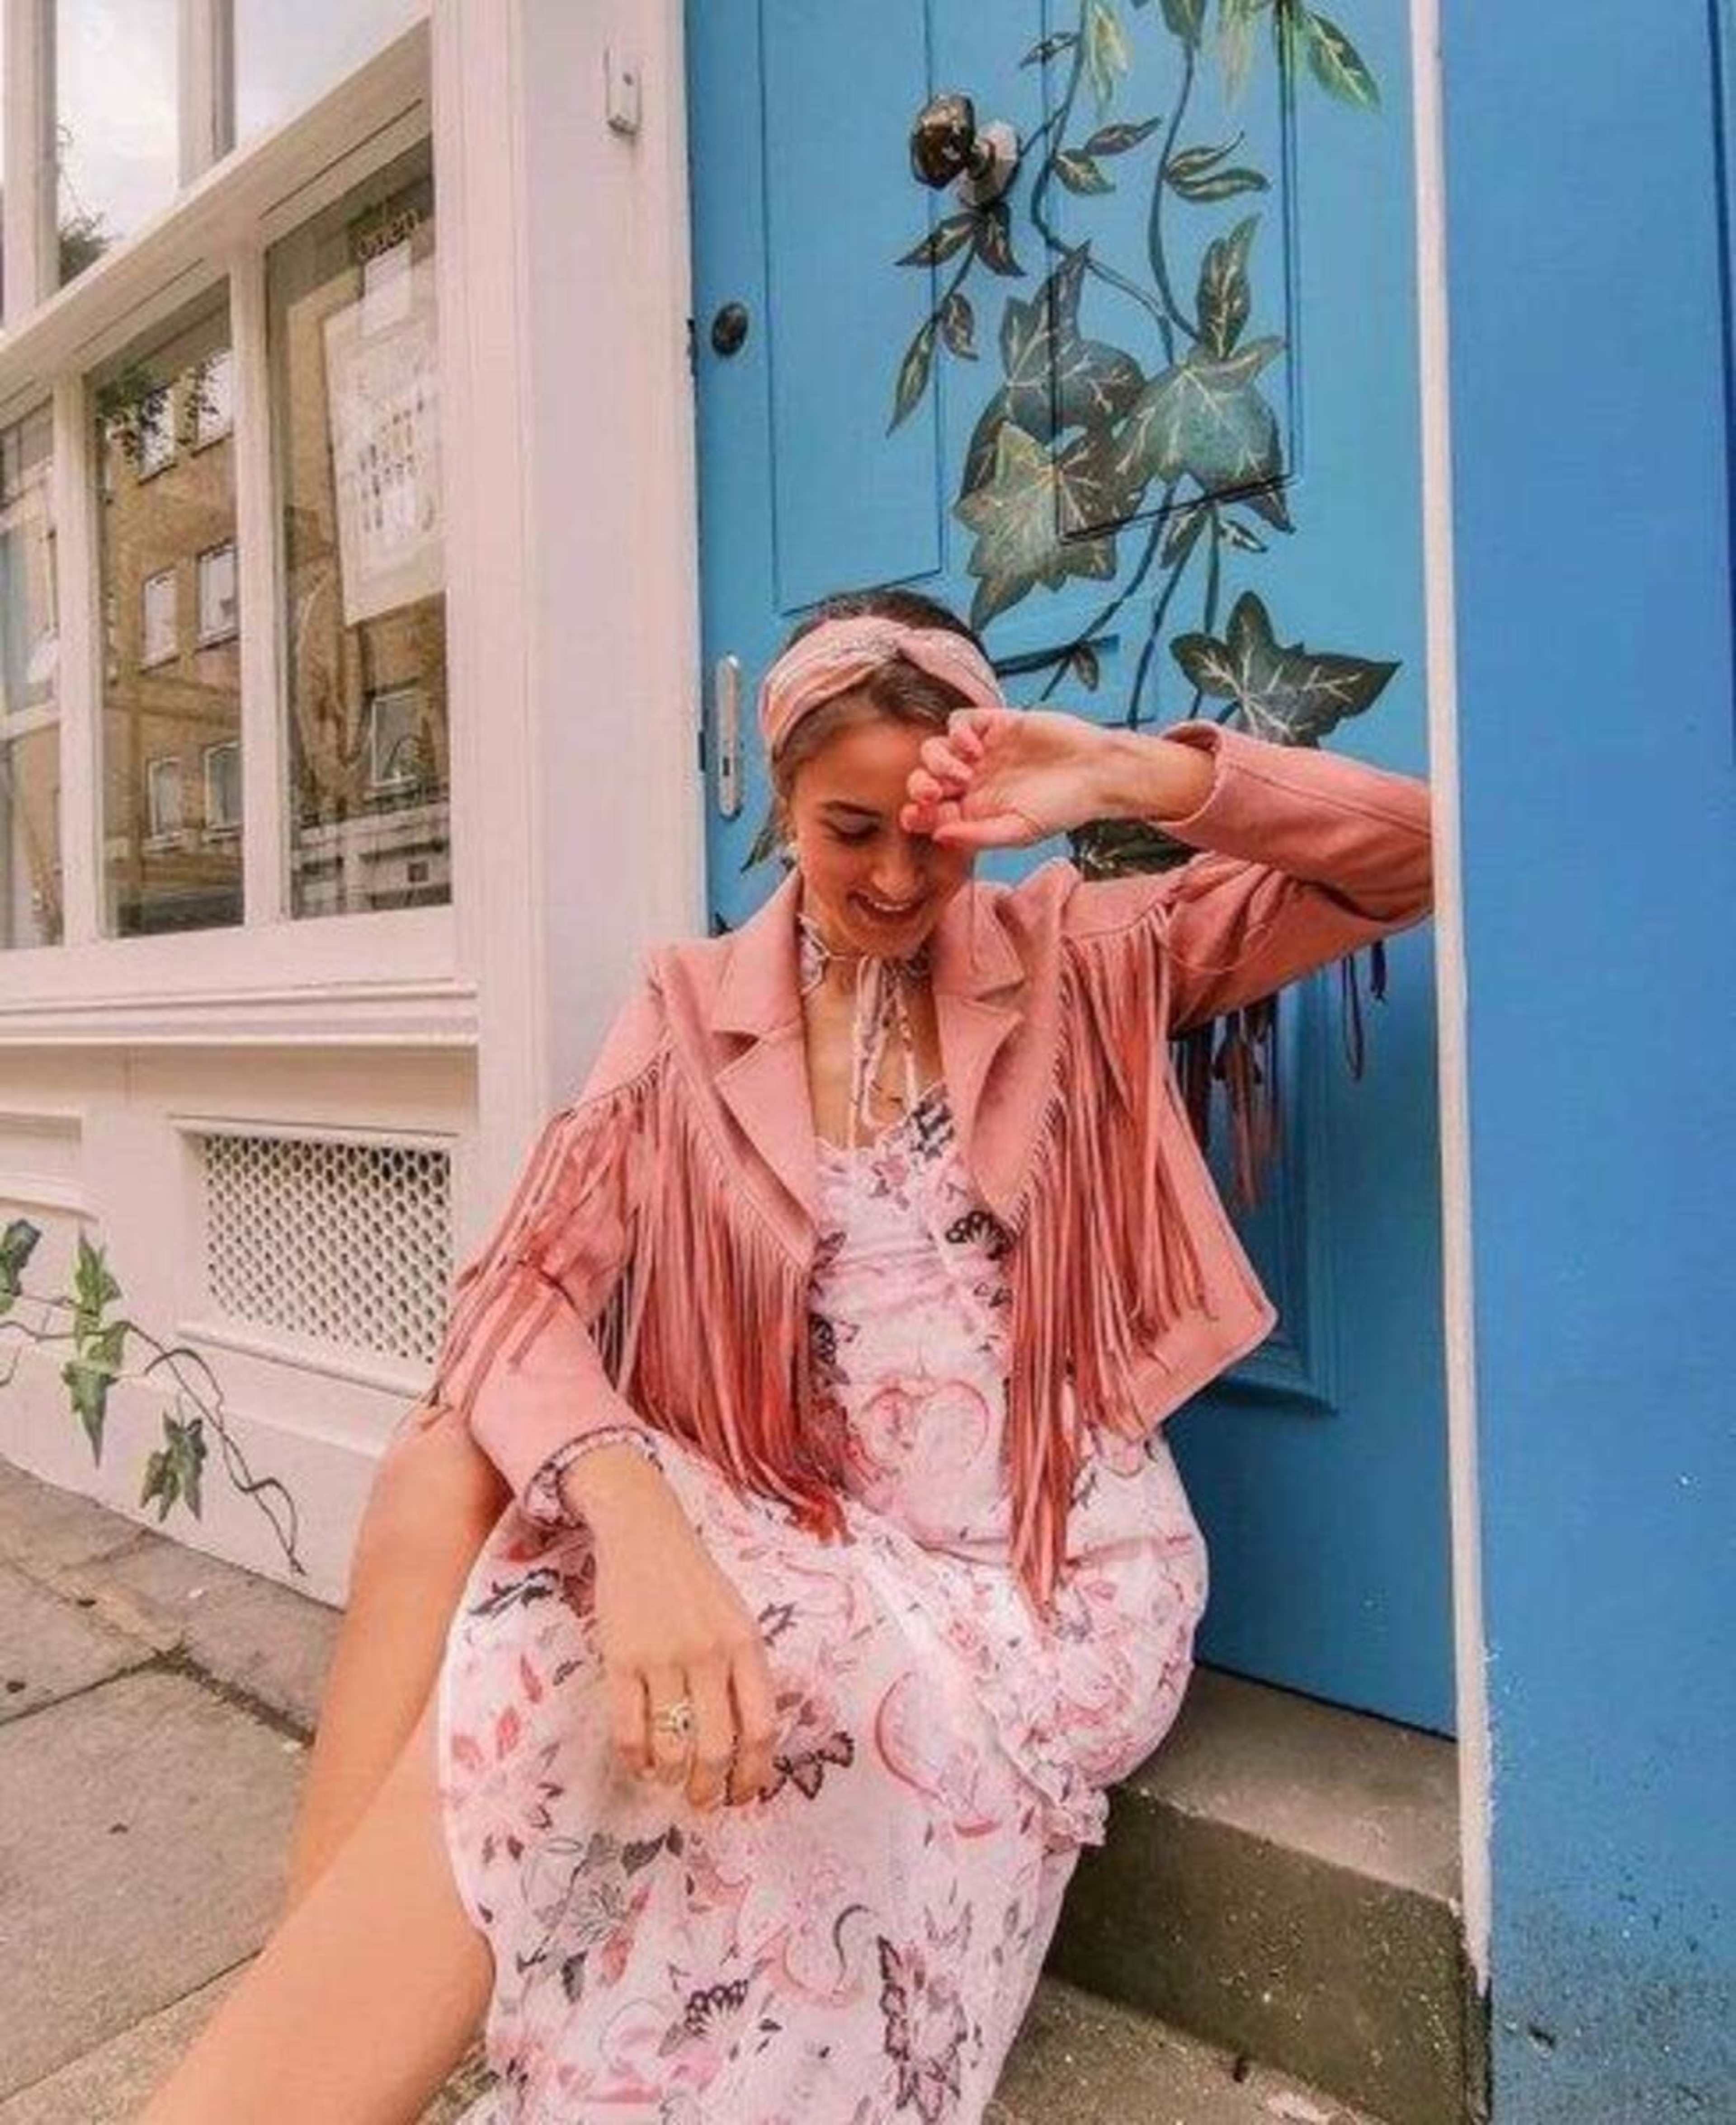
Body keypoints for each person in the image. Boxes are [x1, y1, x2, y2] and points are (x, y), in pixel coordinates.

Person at [140, 584, 1434, 2122]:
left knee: (548, 1600)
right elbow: (516, 1295)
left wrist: (1125, 777)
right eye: (849, 830)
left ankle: (323, 2045)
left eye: (935, 831)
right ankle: (332, 2010)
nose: (898, 876)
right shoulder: (692, 1012)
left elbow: (1411, 855)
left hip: (1051, 1579)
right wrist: (637, 1519)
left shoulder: (1081, 953)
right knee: (464, 1471)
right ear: (779, 807)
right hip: (821, 1530)